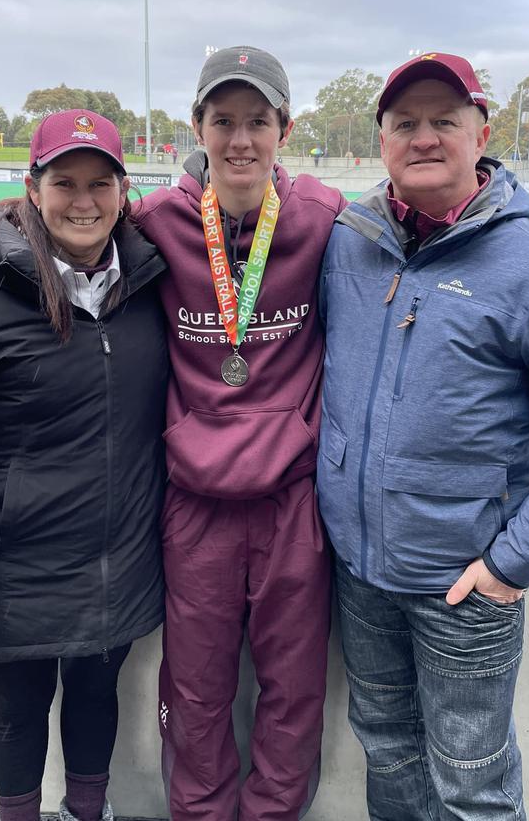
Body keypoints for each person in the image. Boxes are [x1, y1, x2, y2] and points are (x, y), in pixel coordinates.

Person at [317, 52, 529, 820]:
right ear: (381, 142)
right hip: (361, 571)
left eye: (444, 121)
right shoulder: (349, 242)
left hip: (465, 585)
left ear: (481, 134)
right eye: (406, 123)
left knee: (473, 784)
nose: (423, 137)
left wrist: (509, 565)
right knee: (387, 747)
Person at [0, 110, 168, 821]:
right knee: (19, 714)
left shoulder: (150, 286)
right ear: (34, 189)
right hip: (14, 569)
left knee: (97, 702)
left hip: (119, 560)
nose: (84, 200)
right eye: (65, 182)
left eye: (101, 183)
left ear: (125, 191)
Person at [130, 46, 346, 821]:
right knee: (195, 695)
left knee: (293, 696)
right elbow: (66, 231)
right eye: (224, 121)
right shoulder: (157, 223)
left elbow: (411, 243)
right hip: (196, 504)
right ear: (198, 127)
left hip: (293, 503)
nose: (241, 140)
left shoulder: (324, 218)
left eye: (258, 121)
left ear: (285, 129)